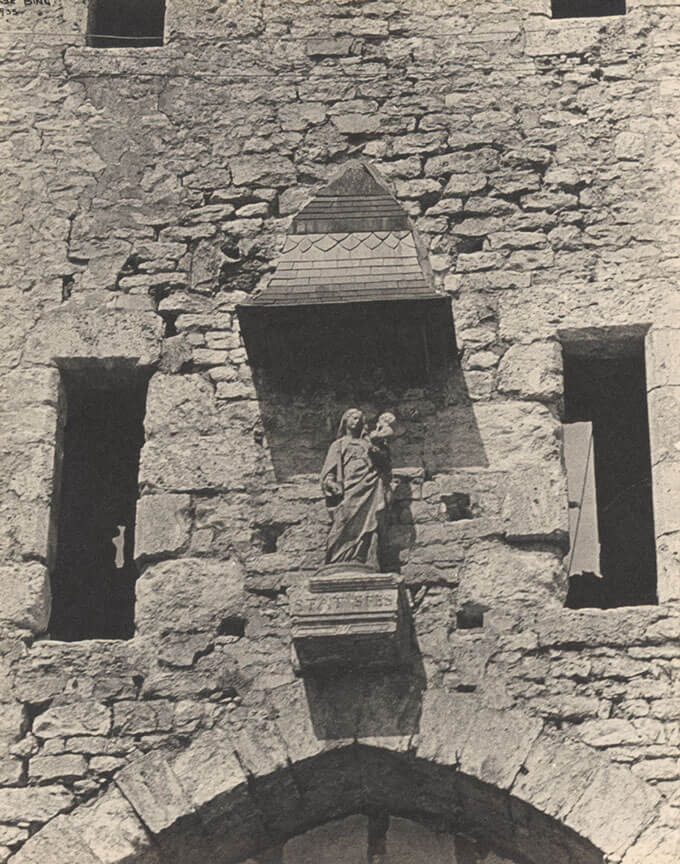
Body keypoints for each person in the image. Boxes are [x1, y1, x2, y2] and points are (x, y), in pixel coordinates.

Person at [320, 408, 394, 567]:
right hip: (349, 487)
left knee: (369, 521)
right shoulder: (338, 444)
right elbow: (329, 471)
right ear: (345, 420)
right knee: (344, 519)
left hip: (370, 484)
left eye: (360, 419)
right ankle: (338, 558)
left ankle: (363, 558)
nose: (357, 421)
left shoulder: (367, 442)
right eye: (354, 418)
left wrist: (377, 450)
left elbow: (385, 464)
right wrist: (331, 483)